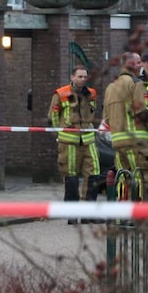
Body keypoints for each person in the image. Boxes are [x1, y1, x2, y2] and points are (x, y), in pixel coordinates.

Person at [48, 65, 103, 223]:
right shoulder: (61, 93)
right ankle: (72, 213)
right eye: (79, 76)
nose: (83, 79)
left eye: (85, 77)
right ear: (72, 77)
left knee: (94, 174)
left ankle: (88, 213)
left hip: (88, 139)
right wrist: (61, 132)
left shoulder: (91, 93)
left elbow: (92, 113)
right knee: (71, 176)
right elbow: (53, 116)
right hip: (69, 141)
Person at [103, 52, 148, 197]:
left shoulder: (110, 87)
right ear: (131, 65)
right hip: (136, 142)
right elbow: (142, 112)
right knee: (141, 178)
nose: (141, 65)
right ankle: (140, 210)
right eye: (138, 62)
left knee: (123, 178)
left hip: (118, 142)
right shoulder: (136, 84)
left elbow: (106, 118)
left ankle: (122, 209)